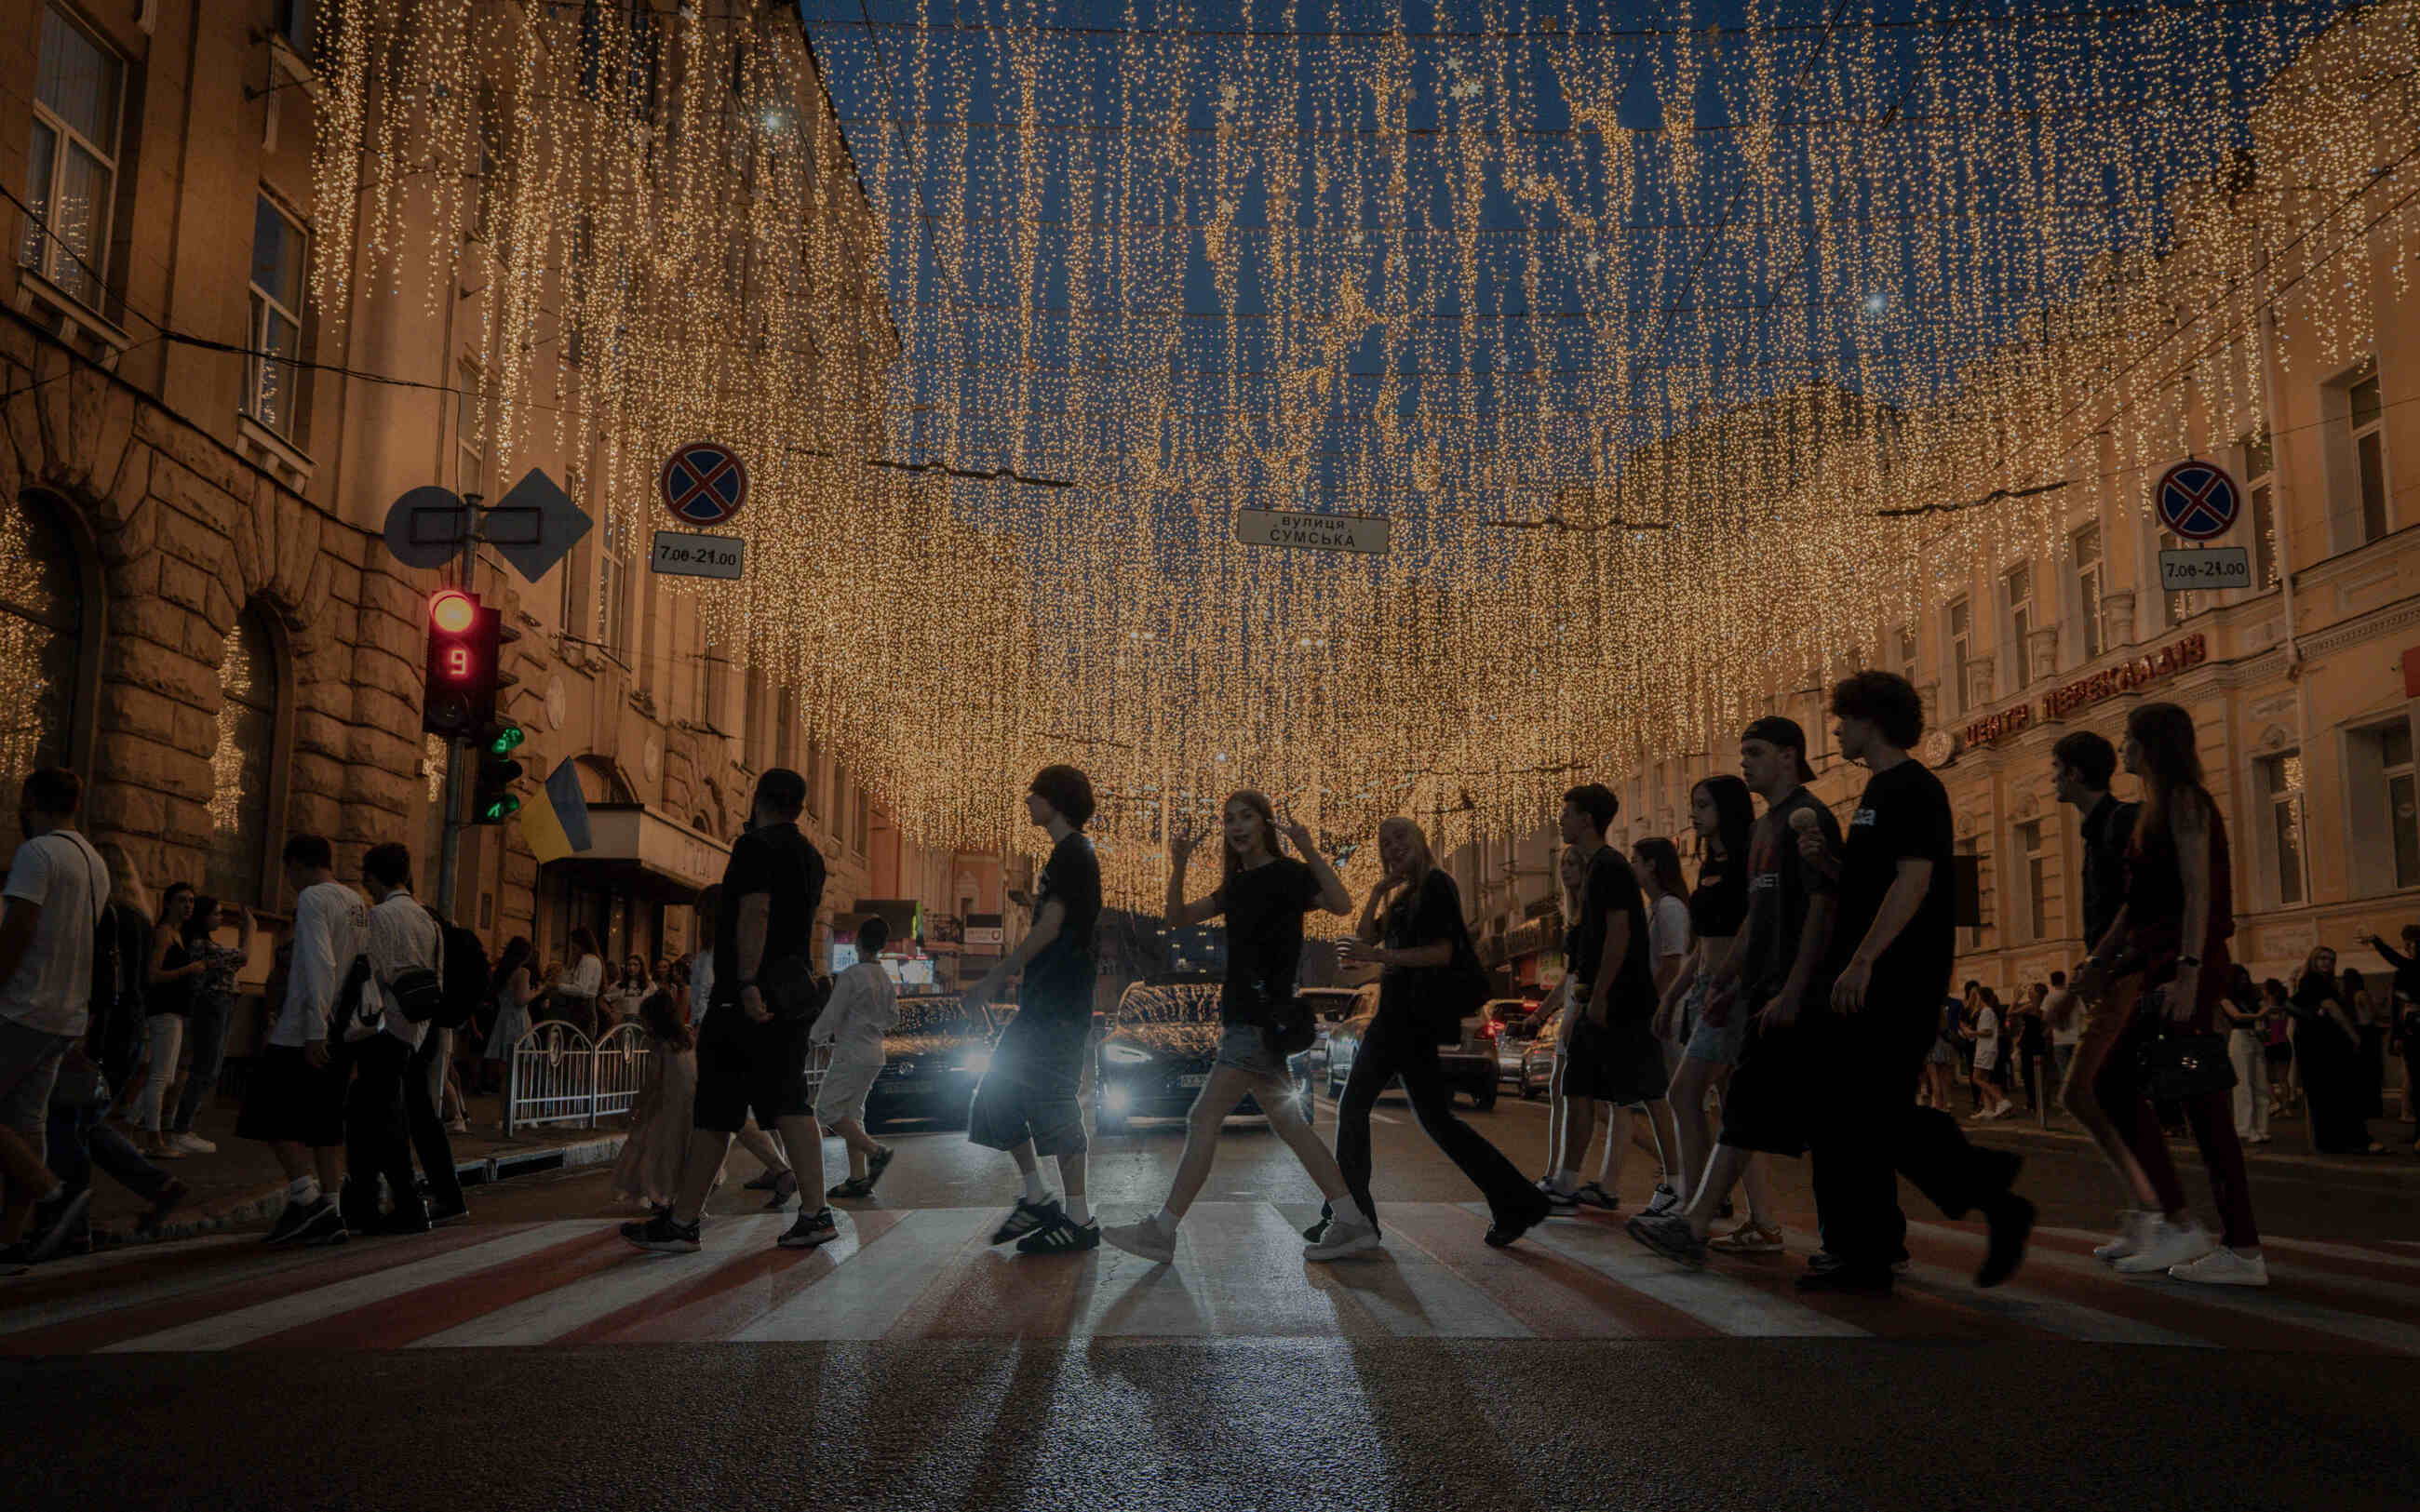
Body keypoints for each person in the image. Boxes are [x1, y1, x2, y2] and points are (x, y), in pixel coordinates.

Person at [1781, 671, 2031, 1294]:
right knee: (1857, 1112)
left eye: (1842, 717)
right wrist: (1828, 863)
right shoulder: (1874, 791)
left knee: (1865, 1111)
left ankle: (1977, 1192)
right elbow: (1872, 883)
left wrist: (1863, 960)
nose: (1834, 728)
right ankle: (1884, 1241)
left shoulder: (1914, 787)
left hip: (1900, 978)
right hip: (1871, 976)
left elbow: (1913, 881)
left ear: (1872, 720)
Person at [1106, 792, 1373, 1264]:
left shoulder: (1288, 875)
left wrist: (1308, 846)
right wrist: (1179, 863)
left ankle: (1162, 1230)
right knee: (1290, 1126)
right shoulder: (1236, 884)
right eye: (1229, 819)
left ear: (1265, 823)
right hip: (1247, 1017)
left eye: (1246, 816)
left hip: (1258, 1016)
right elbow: (1176, 917)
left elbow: (1340, 902)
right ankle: (1352, 1221)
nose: (1236, 825)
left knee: (1203, 1118)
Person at [2060, 702, 2264, 1285]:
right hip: (2156, 968)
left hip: (2185, 972)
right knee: (2113, 1084)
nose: (2121, 748)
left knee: (2203, 1107)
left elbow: (2199, 892)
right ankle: (2181, 1223)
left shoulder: (2185, 802)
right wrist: (2102, 956)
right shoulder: (2152, 811)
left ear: (2152, 745)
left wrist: (2192, 973)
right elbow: (2138, 901)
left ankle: (2241, 1249)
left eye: (2129, 739)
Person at [1628, 718, 1836, 1267]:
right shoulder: (1763, 833)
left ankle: (1698, 1214)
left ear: (1789, 756)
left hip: (1770, 992)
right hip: (1739, 989)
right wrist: (1698, 987)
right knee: (1744, 1109)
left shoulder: (1804, 820)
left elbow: (1820, 905)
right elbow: (1747, 924)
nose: (1744, 761)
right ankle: (1738, 1219)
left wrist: (1789, 988)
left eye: (1754, 752)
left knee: (1723, 1102)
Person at [624, 769, 833, 1254]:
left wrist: (745, 983)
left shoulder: (755, 848)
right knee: (789, 1103)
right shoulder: (811, 857)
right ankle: (814, 1212)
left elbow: (755, 912)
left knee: (716, 1113)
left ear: (758, 799)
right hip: (791, 996)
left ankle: (681, 1222)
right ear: (799, 809)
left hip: (743, 1002)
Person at [1336, 816, 1550, 1249]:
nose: (1392, 847)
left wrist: (1379, 955)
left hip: (1407, 1020)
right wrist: (1377, 892)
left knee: (1358, 1107)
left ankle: (1354, 1216)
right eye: (1385, 842)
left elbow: (1442, 952)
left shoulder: (1436, 885)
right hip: (1400, 1018)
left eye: (1400, 838)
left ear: (1419, 840)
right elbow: (1363, 939)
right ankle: (1517, 1201)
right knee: (1434, 1120)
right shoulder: (1404, 897)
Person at [961, 766, 1103, 1254]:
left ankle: (1080, 1219)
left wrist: (995, 976)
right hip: (1042, 1003)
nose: (1026, 802)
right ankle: (1039, 1196)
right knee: (996, 1097)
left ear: (1054, 800)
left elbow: (1049, 928)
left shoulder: (1074, 854)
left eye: (1033, 794)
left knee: (1054, 1103)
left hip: (1060, 1006)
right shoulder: (1061, 855)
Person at [0, 769, 114, 1272]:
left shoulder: (37, 853)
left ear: (30, 801)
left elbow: (18, 928)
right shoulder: (94, 861)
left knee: (22, 1123)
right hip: (65, 1013)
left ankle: (53, 1196)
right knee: (27, 1123)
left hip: (25, 1006)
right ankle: (10, 1239)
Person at [1539, 785, 1669, 1215]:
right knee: (1582, 1088)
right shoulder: (1600, 868)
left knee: (1649, 1093)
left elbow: (1619, 934)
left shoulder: (1610, 867)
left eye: (1567, 814)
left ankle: (1679, 1184)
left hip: (1620, 1002)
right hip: (1608, 999)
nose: (1561, 821)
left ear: (1587, 820)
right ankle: (1566, 1181)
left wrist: (1599, 996)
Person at [235, 834, 362, 1248]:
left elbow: (317, 964)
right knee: (326, 1123)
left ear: (298, 865)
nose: (288, 880)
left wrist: (313, 1030)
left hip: (305, 1030)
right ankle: (331, 1207)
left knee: (265, 1111)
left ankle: (306, 1198)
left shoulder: (312, 900)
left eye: (288, 870)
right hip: (346, 1028)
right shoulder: (358, 903)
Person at [685, 886, 797, 1207]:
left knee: (727, 1113)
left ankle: (780, 1169)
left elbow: (708, 997)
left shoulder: (717, 952)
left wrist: (698, 1031)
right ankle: (776, 1168)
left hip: (719, 1035)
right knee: (740, 1110)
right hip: (737, 1033)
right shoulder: (738, 948)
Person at [1619, 836, 1689, 1207]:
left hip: (1671, 1017)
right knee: (1668, 1100)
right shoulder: (1655, 908)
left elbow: (1673, 964)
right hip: (1662, 1014)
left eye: (1635, 859)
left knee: (1677, 1100)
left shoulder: (1669, 908)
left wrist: (1652, 1007)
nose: (1632, 866)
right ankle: (1685, 1178)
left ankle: (1683, 1181)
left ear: (1652, 866)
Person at [814, 917, 903, 1200]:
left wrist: (814, 1038)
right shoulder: (885, 977)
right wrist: (870, 1021)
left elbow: (832, 1013)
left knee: (826, 1110)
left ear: (858, 942)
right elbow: (893, 1018)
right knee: (853, 1114)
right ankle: (857, 1178)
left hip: (851, 1052)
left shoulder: (852, 975)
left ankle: (876, 1151)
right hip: (874, 1053)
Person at [165, 896, 251, 1155]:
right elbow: (243, 956)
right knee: (206, 1068)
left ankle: (179, 1126)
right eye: (216, 914)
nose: (220, 918)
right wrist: (250, 929)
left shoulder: (205, 944)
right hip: (212, 1005)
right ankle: (180, 1128)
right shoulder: (201, 945)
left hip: (219, 1004)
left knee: (206, 1068)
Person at [609, 990, 706, 1211]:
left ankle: (659, 1196)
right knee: (682, 1153)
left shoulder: (660, 1045)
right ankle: (680, 1196)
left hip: (667, 1107)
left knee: (655, 1154)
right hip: (690, 1105)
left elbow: (653, 1082)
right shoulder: (688, 1039)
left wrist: (634, 1109)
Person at [128, 881, 204, 1157]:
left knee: (166, 1076)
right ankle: (154, 1138)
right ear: (168, 903)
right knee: (161, 1077)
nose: (188, 906)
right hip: (164, 1012)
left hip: (175, 1012)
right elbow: (152, 975)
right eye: (183, 900)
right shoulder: (163, 934)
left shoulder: (178, 934)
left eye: (192, 902)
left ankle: (129, 1125)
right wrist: (189, 969)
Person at [2290, 948, 2377, 1155]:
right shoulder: (2314, 980)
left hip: (2318, 1043)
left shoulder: (2318, 981)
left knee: (2327, 1093)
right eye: (2322, 958)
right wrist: (2353, 1035)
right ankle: (2346, 1140)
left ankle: (2331, 1141)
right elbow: (2332, 1008)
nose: (2327, 963)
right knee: (2334, 1091)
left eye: (2331, 959)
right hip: (2320, 1044)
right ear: (2313, 960)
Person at [480, 934, 536, 1094]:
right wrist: (538, 991)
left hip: (503, 1020)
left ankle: (503, 1115)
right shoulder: (523, 972)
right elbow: (520, 1000)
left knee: (505, 1071)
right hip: (518, 1021)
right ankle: (518, 1114)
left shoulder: (502, 971)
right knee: (521, 1070)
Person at [2221, 965, 2269, 1145]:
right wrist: (2260, 1014)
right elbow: (2237, 1016)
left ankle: (2261, 1129)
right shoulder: (2226, 998)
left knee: (2261, 1084)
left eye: (2245, 978)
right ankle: (2244, 1128)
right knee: (2243, 1085)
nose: (2244, 981)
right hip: (2239, 1037)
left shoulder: (2253, 996)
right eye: (2240, 978)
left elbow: (2265, 1007)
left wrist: (2261, 1011)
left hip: (2255, 1037)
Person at [2342, 968, 2387, 1124]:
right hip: (2368, 1033)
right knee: (2373, 1071)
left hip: (2355, 1032)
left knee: (2359, 1072)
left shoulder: (2345, 997)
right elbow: (2372, 1014)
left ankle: (2361, 1107)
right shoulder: (2361, 994)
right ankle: (2373, 1108)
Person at [1964, 986, 2013, 1120]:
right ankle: (1988, 1108)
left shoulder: (1986, 1012)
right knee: (1985, 1079)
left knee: (1976, 1078)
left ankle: (2002, 1101)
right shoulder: (1987, 1012)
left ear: (1981, 997)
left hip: (1985, 1050)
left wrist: (1972, 1032)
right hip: (1986, 1049)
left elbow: (1988, 1032)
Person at [556, 929, 605, 1039]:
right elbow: (567, 980)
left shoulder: (588, 960)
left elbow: (581, 988)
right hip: (582, 1006)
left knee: (577, 1042)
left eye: (573, 942)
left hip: (582, 1006)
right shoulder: (583, 960)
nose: (572, 946)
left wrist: (558, 987)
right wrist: (570, 964)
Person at [2043, 970, 2080, 1112]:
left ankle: (2069, 1105)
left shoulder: (2050, 997)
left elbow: (2045, 1018)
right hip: (2075, 1038)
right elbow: (2084, 1014)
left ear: (2052, 982)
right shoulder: (2074, 997)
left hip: (2060, 1040)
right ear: (2064, 980)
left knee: (2064, 1072)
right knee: (2075, 1071)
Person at [2260, 978, 2296, 1117]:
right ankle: (2285, 1108)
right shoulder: (2284, 1005)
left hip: (2270, 1044)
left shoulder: (2264, 1005)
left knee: (2268, 1078)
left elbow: (2262, 1025)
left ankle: (2277, 1104)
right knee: (2282, 1079)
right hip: (2282, 1043)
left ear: (2267, 990)